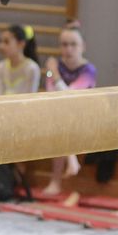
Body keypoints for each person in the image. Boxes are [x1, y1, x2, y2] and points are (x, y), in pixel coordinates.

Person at [39, 20, 97, 196]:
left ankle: (58, 178)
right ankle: (69, 162)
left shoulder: (88, 70)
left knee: (62, 118)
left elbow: (70, 96)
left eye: (73, 44)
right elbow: (52, 94)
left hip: (83, 115)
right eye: (64, 44)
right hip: (59, 114)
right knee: (59, 118)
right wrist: (52, 73)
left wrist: (54, 73)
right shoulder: (54, 67)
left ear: (83, 46)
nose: (68, 49)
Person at [0, 24, 42, 96]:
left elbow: (29, 98)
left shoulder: (32, 68)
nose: (1, 46)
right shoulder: (0, 67)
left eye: (6, 42)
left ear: (21, 44)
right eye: (0, 42)